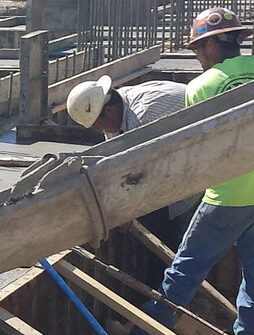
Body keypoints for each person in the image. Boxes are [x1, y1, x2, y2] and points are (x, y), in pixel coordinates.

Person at [153, 7, 254, 335]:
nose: (197, 57)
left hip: (227, 197)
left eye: (196, 50)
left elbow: (201, 151)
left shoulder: (200, 87)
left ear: (209, 47)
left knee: (183, 274)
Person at [65, 74, 196, 247]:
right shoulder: (118, 103)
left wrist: (128, 209)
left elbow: (148, 173)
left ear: (109, 111)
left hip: (200, 160)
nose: (101, 131)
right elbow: (117, 163)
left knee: (183, 236)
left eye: (100, 126)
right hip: (176, 154)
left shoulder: (142, 119)